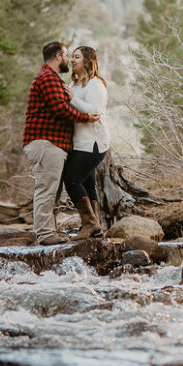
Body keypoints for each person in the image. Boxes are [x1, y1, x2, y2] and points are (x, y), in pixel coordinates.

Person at [23, 41, 100, 246]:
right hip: (45, 143)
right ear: (58, 56)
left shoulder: (52, 78)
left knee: (51, 190)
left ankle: (48, 232)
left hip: (53, 144)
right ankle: (45, 234)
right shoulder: (47, 78)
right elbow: (61, 109)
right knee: (46, 189)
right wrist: (86, 117)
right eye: (66, 55)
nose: (68, 60)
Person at [62, 46, 110, 239]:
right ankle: (95, 226)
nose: (72, 61)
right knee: (87, 183)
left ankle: (89, 224)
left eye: (77, 57)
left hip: (94, 143)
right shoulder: (73, 85)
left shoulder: (96, 85)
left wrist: (72, 99)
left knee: (71, 179)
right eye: (72, 57)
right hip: (78, 142)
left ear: (88, 61)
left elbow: (94, 111)